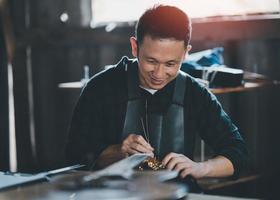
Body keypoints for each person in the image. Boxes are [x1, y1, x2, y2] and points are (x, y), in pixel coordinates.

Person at [65, 4, 248, 192]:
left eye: (170, 64)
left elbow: (238, 153)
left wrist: (201, 167)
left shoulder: (194, 93)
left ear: (186, 53)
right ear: (135, 47)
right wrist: (117, 151)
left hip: (177, 192)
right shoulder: (100, 88)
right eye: (151, 61)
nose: (159, 74)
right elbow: (74, 156)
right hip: (113, 194)